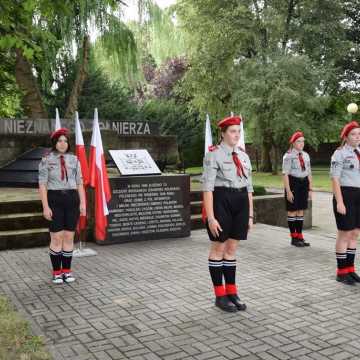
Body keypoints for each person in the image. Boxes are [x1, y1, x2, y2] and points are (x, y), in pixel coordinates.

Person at [202, 115, 253, 312]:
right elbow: (207, 188)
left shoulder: (243, 156)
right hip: (221, 201)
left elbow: (249, 187)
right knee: (218, 249)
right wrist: (211, 217)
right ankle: (220, 295)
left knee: (231, 249)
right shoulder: (213, 155)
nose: (236, 135)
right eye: (232, 131)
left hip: (241, 202)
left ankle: (232, 292)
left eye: (238, 132)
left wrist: (250, 215)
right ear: (222, 134)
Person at [38, 128, 86, 284]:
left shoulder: (75, 160)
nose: (63, 143)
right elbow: (42, 185)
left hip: (72, 200)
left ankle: (67, 271)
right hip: (54, 200)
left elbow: (79, 183)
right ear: (54, 143)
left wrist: (83, 203)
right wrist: (45, 207)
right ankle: (56, 272)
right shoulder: (46, 160)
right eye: (60, 140)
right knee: (57, 237)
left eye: (65, 141)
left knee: (69, 236)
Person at [330, 121, 360, 285]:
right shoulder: (339, 153)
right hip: (345, 195)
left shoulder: (359, 152)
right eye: (354, 134)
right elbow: (335, 179)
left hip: (358, 195)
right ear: (346, 137)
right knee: (344, 234)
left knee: (355, 233)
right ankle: (341, 272)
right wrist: (340, 202)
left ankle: (350, 269)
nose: (357, 137)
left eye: (359, 134)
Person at [282, 131, 313, 247]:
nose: (302, 144)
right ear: (293, 143)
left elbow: (309, 172)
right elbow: (285, 174)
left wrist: (310, 189)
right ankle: (293, 238)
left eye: (303, 141)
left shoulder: (305, 155)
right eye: (299, 141)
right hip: (293, 183)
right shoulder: (288, 155)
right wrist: (288, 191)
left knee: (301, 210)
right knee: (292, 210)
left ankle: (300, 236)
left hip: (304, 183)